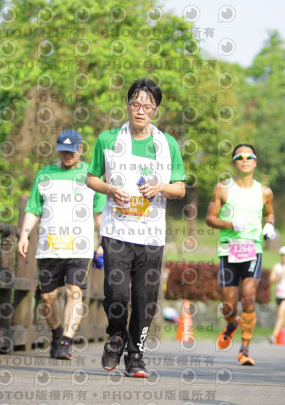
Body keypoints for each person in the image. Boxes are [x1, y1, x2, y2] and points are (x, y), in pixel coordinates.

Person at [86, 78, 186, 378]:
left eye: (147, 105)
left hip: (151, 233)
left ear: (155, 109)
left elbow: (180, 188)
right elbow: (91, 178)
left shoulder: (167, 144)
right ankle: (116, 337)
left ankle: (136, 356)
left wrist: (160, 187)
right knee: (117, 293)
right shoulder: (107, 140)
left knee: (145, 298)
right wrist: (109, 189)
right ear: (127, 104)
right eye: (135, 103)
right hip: (116, 229)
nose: (140, 110)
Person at [18, 129, 106, 360]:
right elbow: (33, 209)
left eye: (72, 151)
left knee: (74, 292)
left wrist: (103, 241)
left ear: (80, 149)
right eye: (63, 151)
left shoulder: (92, 175)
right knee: (47, 298)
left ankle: (66, 340)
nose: (67, 155)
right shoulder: (45, 174)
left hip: (80, 246)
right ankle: (57, 333)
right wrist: (24, 235)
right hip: (49, 246)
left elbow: (99, 214)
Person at [205, 143, 275, 366]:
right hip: (229, 249)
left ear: (255, 161)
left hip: (253, 249)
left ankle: (244, 349)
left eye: (249, 156)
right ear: (234, 162)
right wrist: (230, 223)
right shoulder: (222, 188)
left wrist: (269, 226)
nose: (245, 159)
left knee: (249, 298)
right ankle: (232, 324)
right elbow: (209, 218)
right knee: (228, 306)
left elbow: (270, 214)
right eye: (240, 157)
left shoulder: (264, 192)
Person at [268, 246, 285, 344]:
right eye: (282, 255)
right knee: (282, 315)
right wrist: (280, 276)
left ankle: (273, 335)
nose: (284, 257)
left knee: (280, 313)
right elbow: (271, 280)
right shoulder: (277, 266)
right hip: (279, 293)